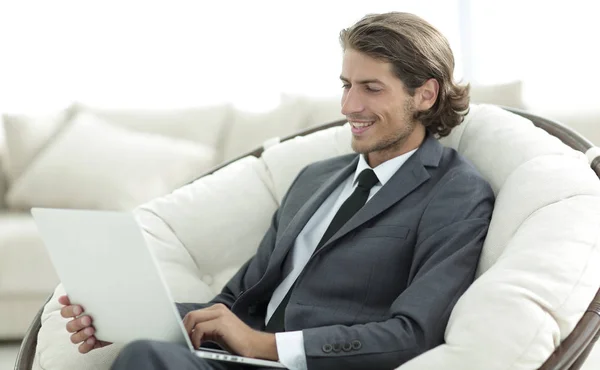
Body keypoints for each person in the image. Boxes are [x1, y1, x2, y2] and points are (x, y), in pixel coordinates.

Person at [58, 11, 495, 370]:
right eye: (346, 85)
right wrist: (122, 318)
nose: (348, 107)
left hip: (312, 365)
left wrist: (263, 346)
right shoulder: (316, 179)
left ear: (425, 95)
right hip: (241, 361)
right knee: (145, 353)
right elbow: (231, 305)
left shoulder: (456, 193)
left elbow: (413, 334)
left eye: (371, 88)